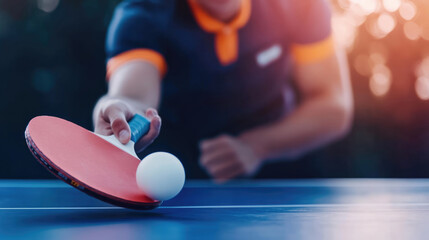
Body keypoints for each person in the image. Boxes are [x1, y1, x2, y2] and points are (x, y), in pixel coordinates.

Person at [93, 0, 353, 182]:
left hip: (281, 174)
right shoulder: (142, 15)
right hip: (179, 179)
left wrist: (257, 146)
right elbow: (133, 98)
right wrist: (117, 112)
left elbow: (333, 105)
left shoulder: (302, 5)